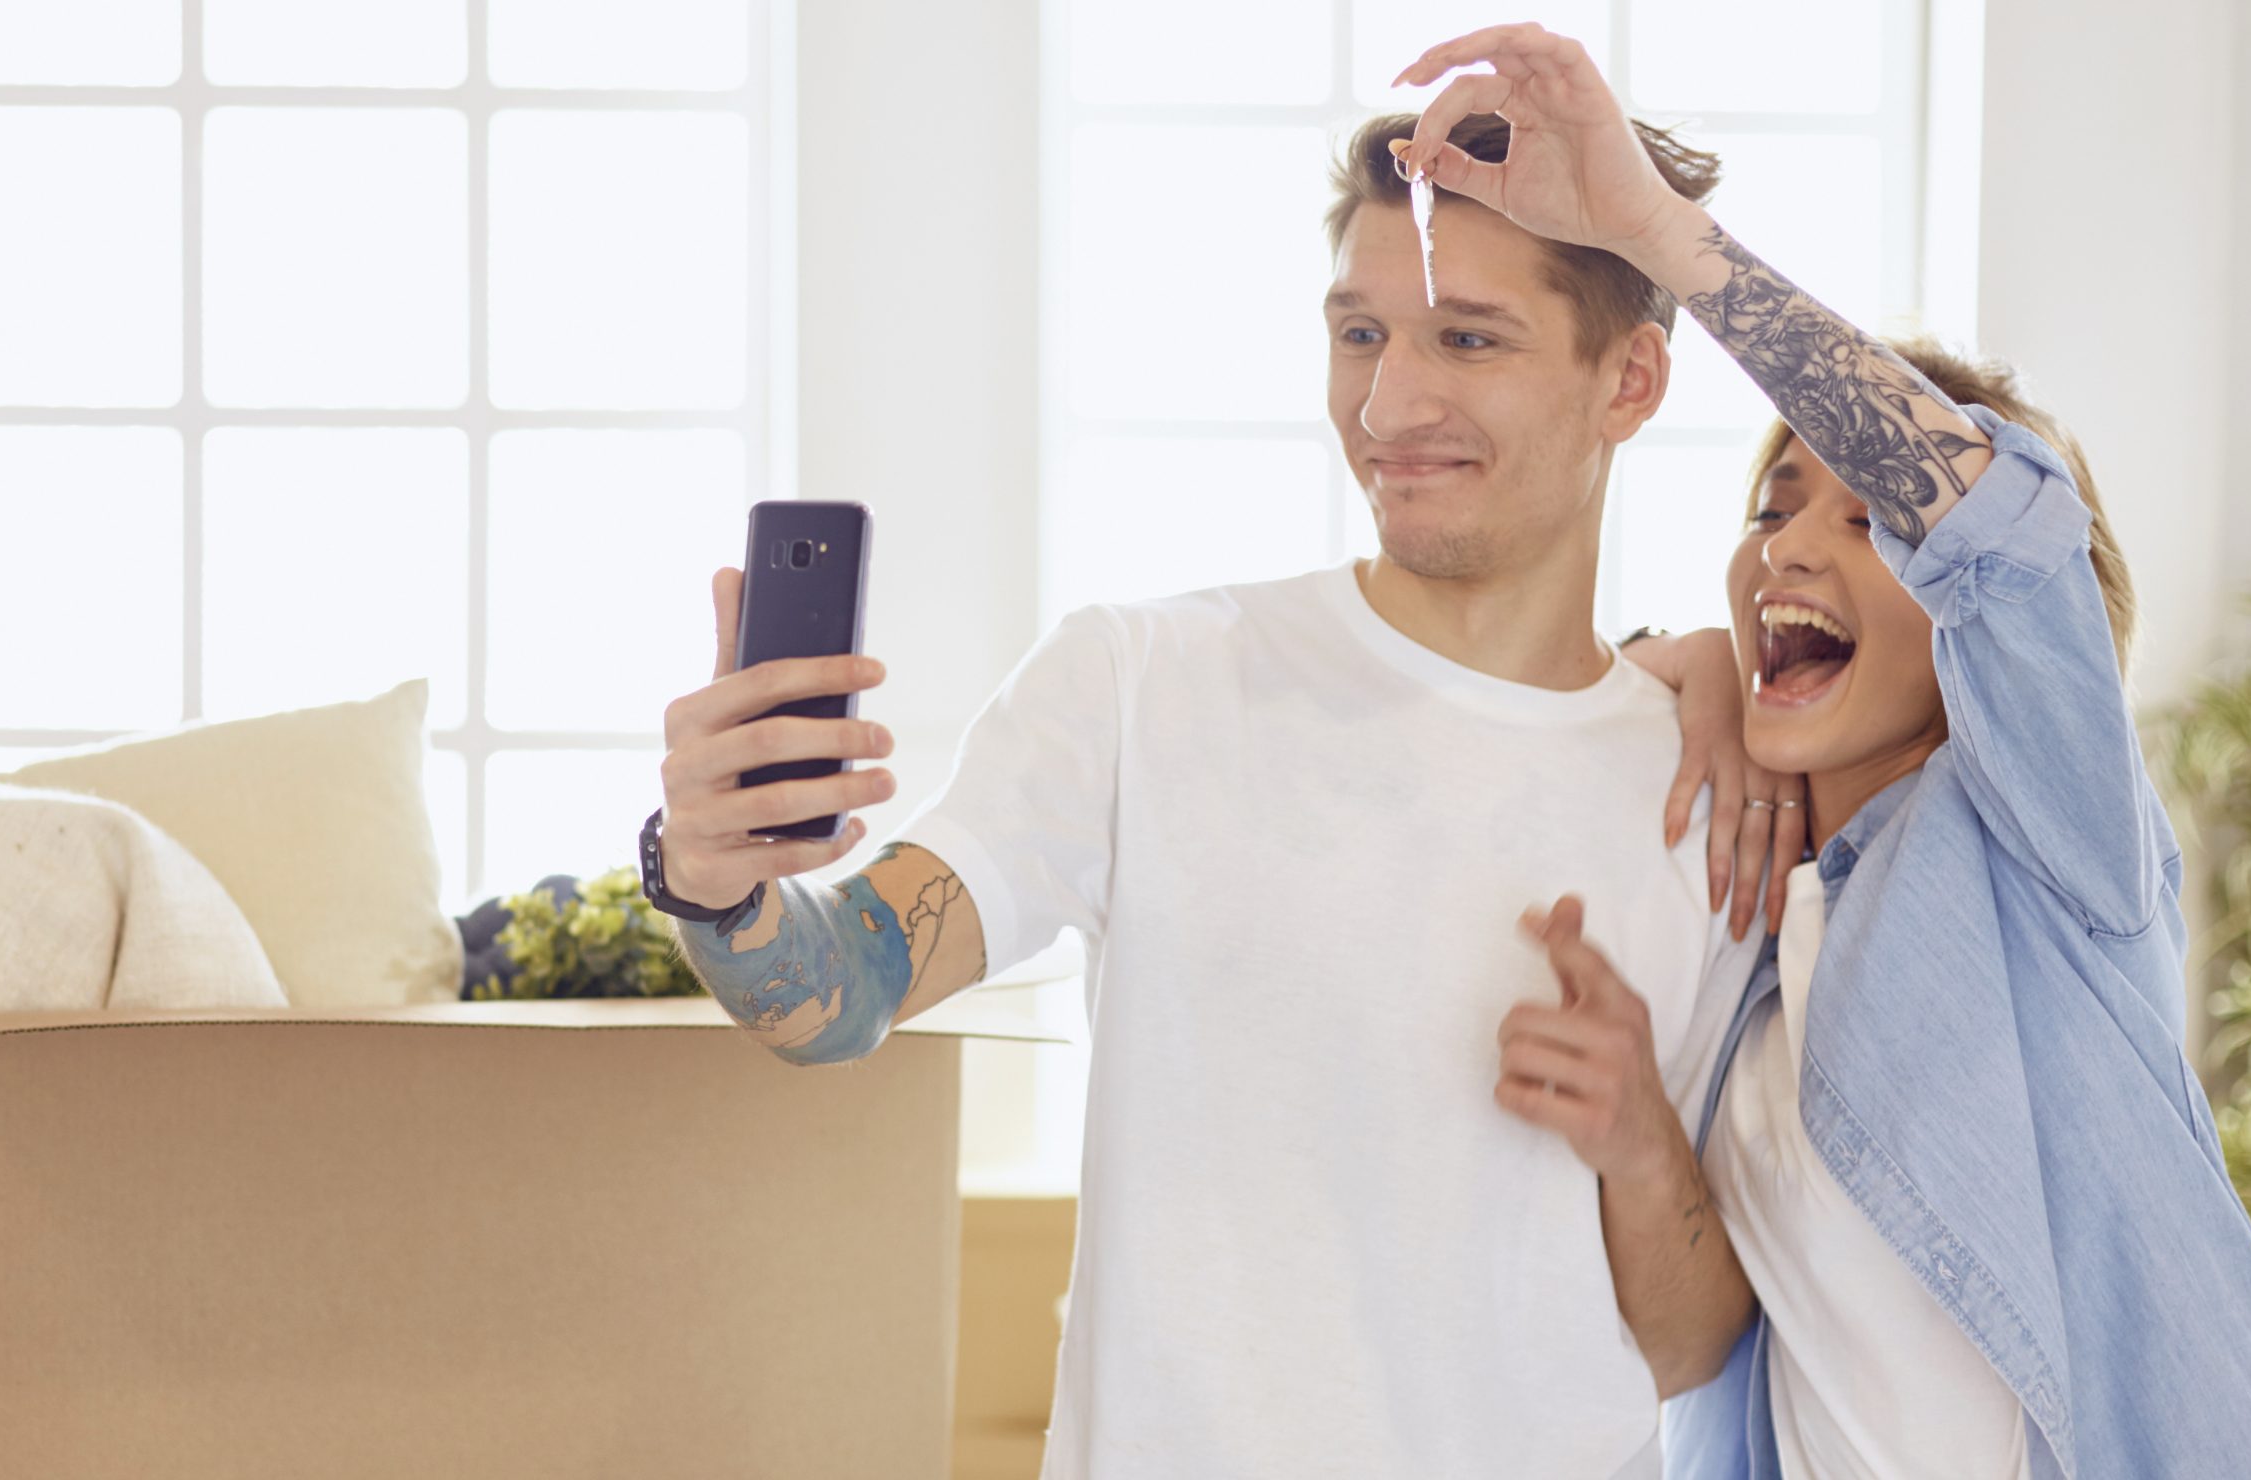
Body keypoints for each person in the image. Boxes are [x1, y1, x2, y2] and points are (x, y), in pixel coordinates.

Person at [650, 102, 1798, 1480]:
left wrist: (1637, 1144)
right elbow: (834, 997)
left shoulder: (1723, 797)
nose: (1388, 406)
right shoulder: (1145, 683)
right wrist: (715, 880)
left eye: (1467, 340)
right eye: (1359, 333)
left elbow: (1690, 1353)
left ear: (1630, 382)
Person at [1385, 22, 2251, 1478]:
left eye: (1873, 520)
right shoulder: (1752, 918)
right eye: (1777, 503)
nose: (1789, 545)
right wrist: (1693, 671)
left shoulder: (2053, 854)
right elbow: (1687, 1351)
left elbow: (2004, 544)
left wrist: (1649, 227)